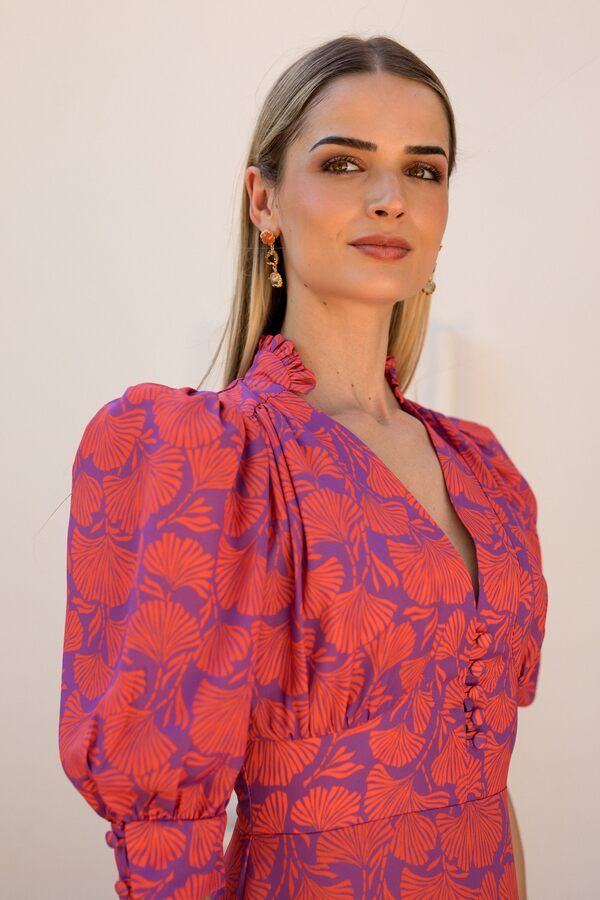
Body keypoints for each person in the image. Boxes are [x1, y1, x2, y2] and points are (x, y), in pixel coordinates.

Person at [58, 34, 548, 899]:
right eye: (345, 163)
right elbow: (167, 825)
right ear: (265, 199)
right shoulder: (215, 461)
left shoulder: (485, 472)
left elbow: (489, 780)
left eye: (423, 171)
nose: (391, 199)